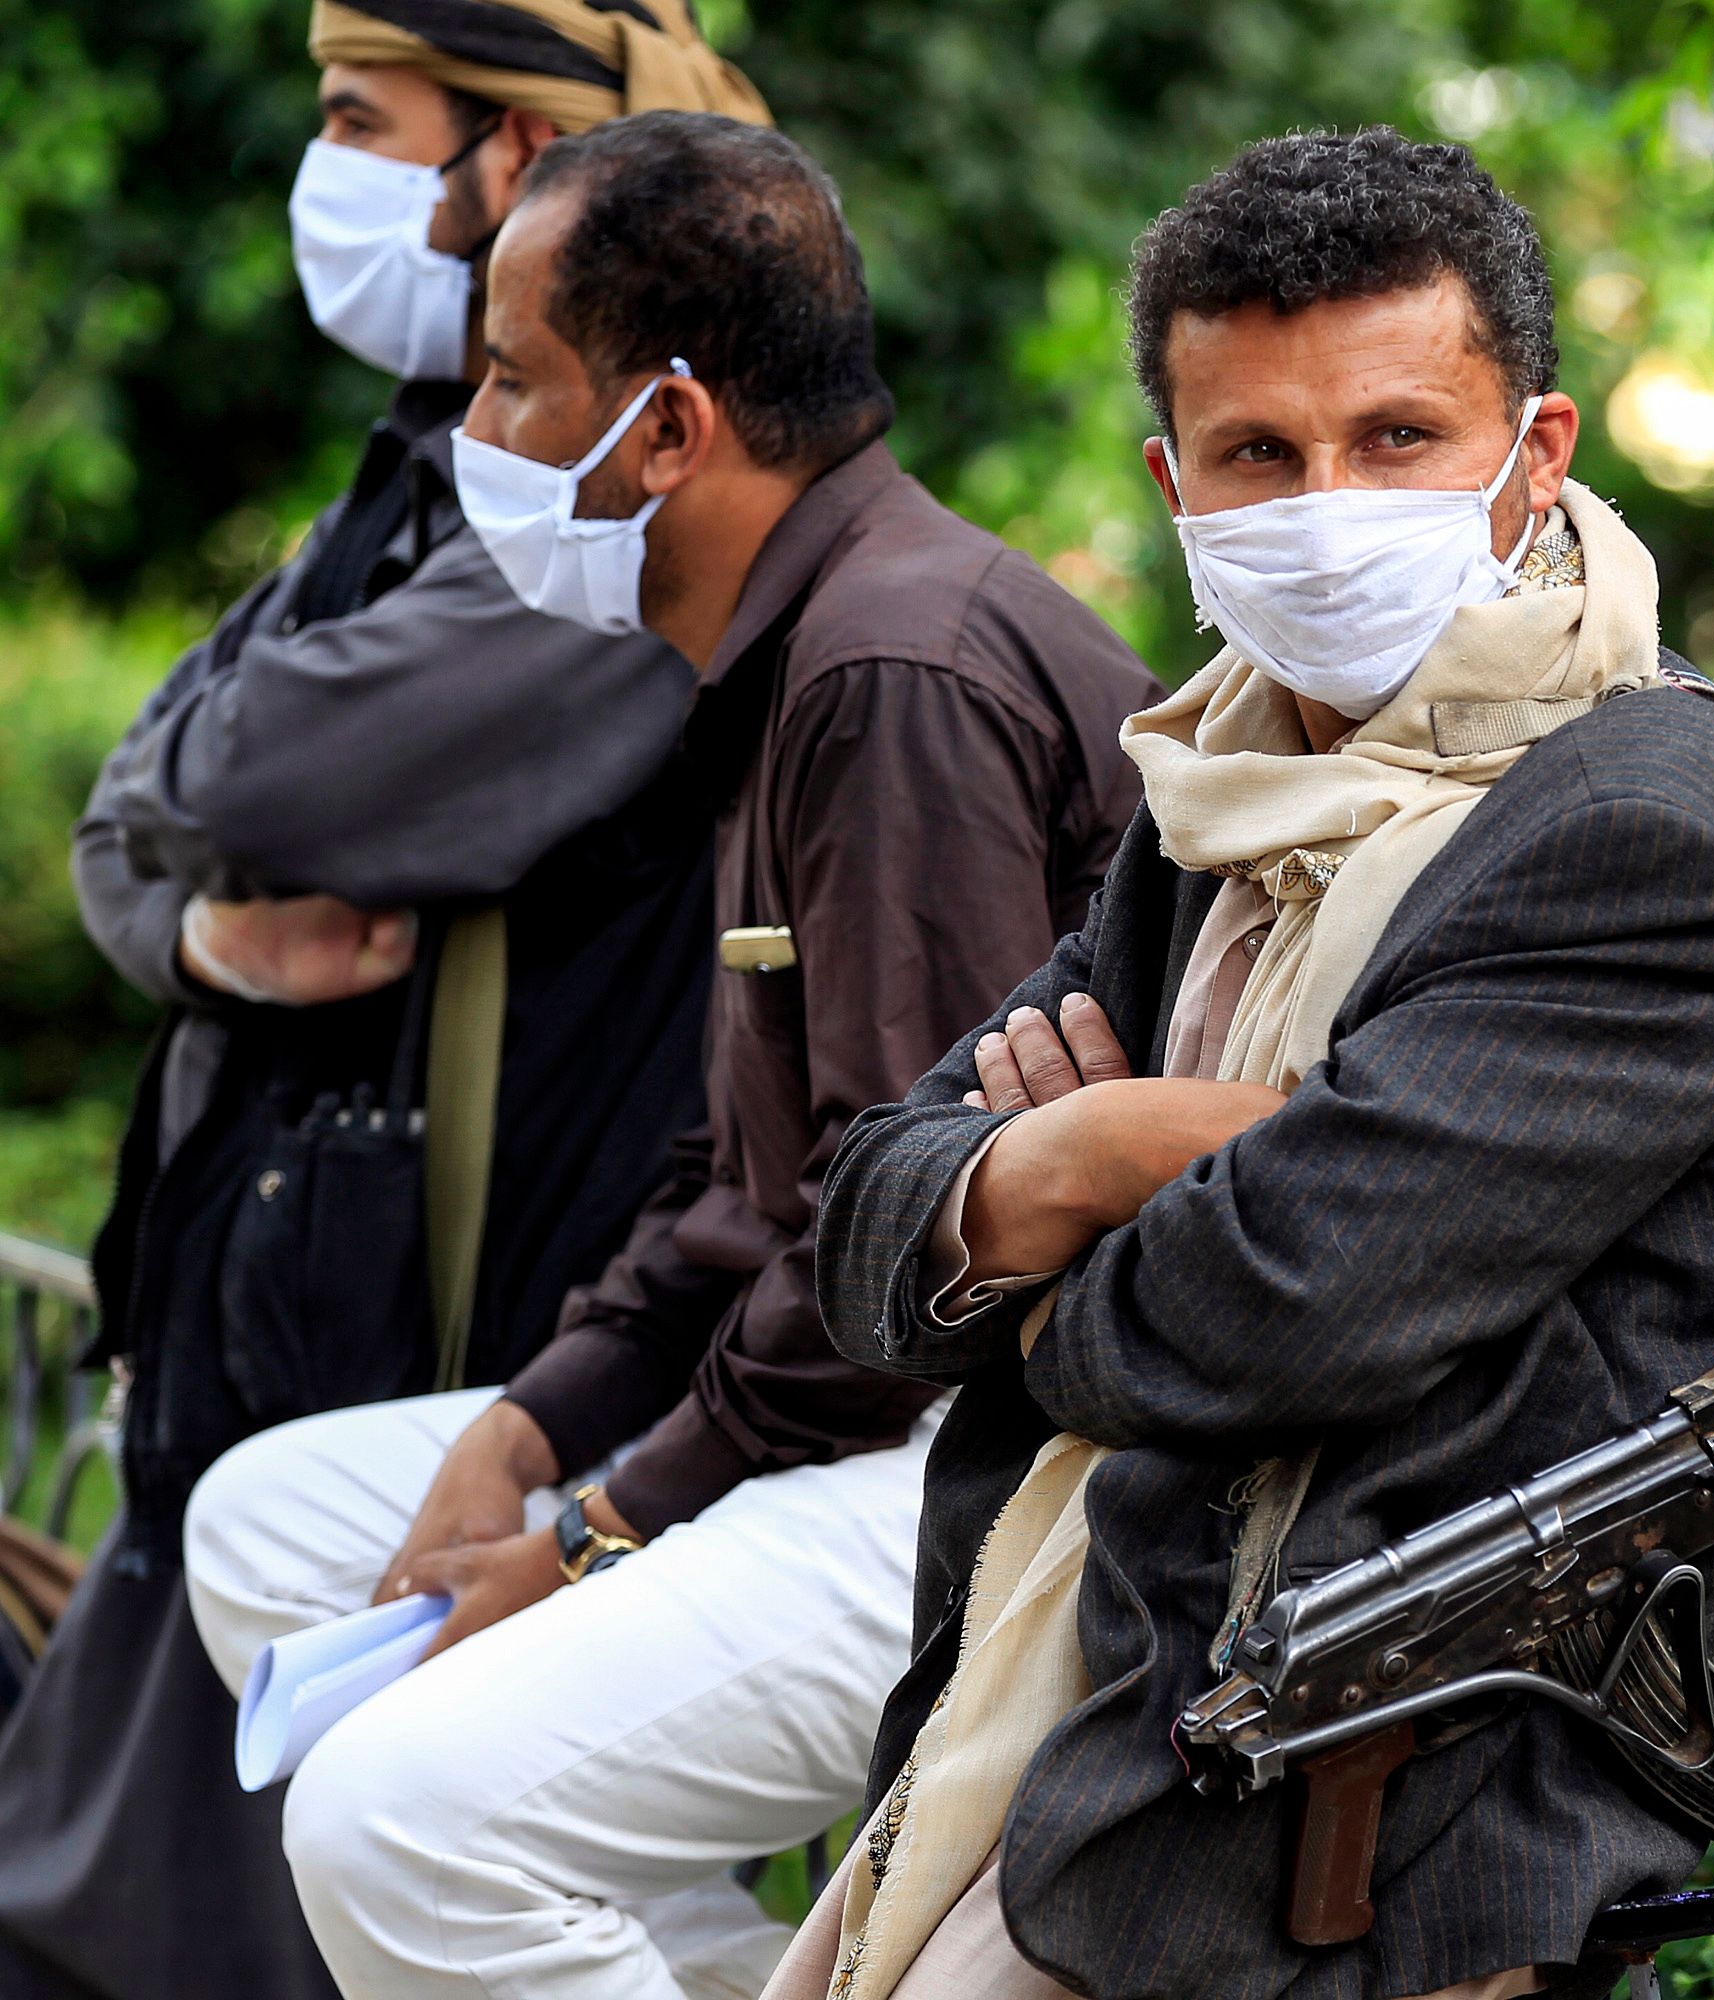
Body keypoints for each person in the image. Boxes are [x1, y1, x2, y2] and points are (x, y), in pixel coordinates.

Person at [785, 127, 1714, 2000]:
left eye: (1396, 440)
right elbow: (870, 1228)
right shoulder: (1223, 784)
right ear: (1176, 483)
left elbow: (1261, 1308)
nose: (1326, 501)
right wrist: (1090, 1153)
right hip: (1121, 1717)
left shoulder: (1655, 825)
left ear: (1533, 455)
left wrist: (1060, 1266)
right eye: (1259, 456)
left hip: (1380, 1837)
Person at [181, 111, 1163, 2000]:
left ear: (669, 431)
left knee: (392, 1823)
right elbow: (743, 1191)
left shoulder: (892, 676)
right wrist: (531, 1424)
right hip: (860, 1411)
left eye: (514, 379)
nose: (474, 434)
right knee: (273, 1533)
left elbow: (914, 1268)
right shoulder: (791, 651)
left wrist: (604, 1523)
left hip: (1009, 1472)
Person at [0, 9, 764, 1997]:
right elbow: (137, 817)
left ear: (517, 156)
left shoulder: (608, 518)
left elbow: (247, 776)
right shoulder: (433, 473)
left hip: (462, 1366)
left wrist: (197, 820)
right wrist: (201, 934)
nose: (375, 194)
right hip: (266, 1346)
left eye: (375, 126)